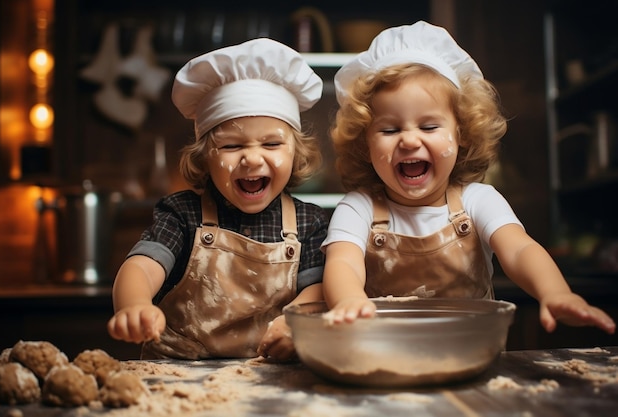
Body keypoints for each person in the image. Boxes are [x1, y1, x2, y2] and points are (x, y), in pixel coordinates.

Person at [321, 21, 616, 336]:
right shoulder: (359, 207)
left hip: (472, 352)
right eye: (390, 129)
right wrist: (349, 300)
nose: (408, 140)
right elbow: (343, 263)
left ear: (461, 133)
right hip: (382, 352)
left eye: (429, 126)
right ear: (365, 144)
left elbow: (519, 250)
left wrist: (556, 292)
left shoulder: (478, 200)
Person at [107, 38, 329, 361]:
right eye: (231, 146)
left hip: (269, 377)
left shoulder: (309, 222)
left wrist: (298, 321)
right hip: (177, 373)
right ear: (204, 157)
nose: (252, 159)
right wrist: (134, 305)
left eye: (271, 144)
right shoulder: (182, 215)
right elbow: (141, 268)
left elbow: (320, 289)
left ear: (295, 153)